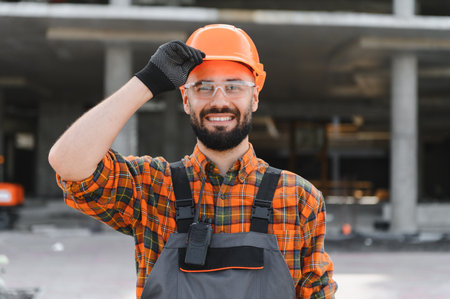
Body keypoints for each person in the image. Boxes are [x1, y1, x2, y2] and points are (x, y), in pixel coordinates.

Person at [49, 24, 337, 298]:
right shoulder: (152, 188)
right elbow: (69, 164)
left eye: (234, 86)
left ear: (255, 98)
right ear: (186, 100)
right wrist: (147, 81)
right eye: (204, 87)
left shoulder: (299, 198)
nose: (219, 101)